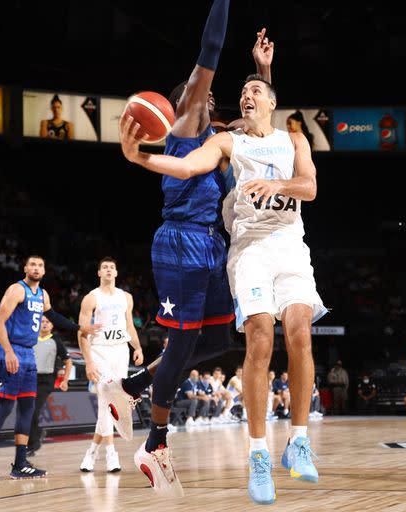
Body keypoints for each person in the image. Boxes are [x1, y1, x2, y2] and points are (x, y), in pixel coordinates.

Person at [120, 71, 325, 505]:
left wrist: (279, 185)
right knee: (259, 338)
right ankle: (258, 456)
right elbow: (187, 164)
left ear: (272, 102)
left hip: (290, 246)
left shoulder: (295, 140)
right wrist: (141, 158)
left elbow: (309, 186)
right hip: (248, 248)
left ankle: (299, 442)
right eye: (243, 92)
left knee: (302, 333)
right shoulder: (230, 141)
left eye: (255, 91)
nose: (246, 96)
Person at [116, 6, 275, 499]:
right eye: (192, 91)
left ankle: (134, 384)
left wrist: (264, 72)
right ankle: (155, 443)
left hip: (211, 245)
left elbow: (265, 124)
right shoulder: (184, 125)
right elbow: (208, 51)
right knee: (183, 345)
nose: (200, 94)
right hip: (180, 241)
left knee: (218, 341)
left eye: (201, 94)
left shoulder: (221, 138)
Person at [0, 255, 100, 481]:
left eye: (40, 265)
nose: (36, 268)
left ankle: (20, 463)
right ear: (25, 268)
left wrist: (81, 327)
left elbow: (55, 317)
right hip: (10, 351)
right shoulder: (16, 290)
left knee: (27, 409)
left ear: (44, 270)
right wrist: (9, 352)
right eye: (32, 264)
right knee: (5, 407)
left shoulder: (43, 295)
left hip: (29, 355)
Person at [78, 257, 143, 473]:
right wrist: (88, 362)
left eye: (112, 267)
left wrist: (138, 348)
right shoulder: (91, 298)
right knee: (106, 398)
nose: (108, 270)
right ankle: (111, 454)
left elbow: (129, 326)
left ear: (116, 273)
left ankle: (92, 452)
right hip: (99, 351)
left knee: (111, 402)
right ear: (99, 273)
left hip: (120, 351)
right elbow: (82, 333)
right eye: (104, 267)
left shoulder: (126, 297)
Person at [28, 315, 72, 456]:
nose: (45, 324)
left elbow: (68, 362)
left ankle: (32, 444)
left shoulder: (56, 341)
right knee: (27, 411)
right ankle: (37, 433)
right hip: (30, 378)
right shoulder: (31, 338)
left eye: (47, 322)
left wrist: (65, 380)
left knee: (34, 410)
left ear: (52, 325)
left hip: (46, 381)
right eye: (42, 322)